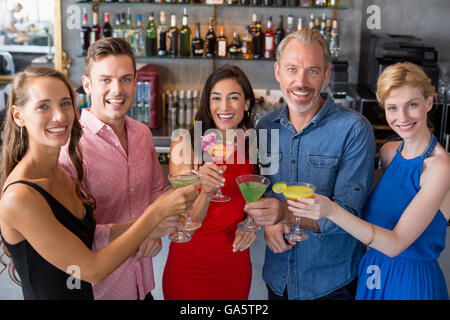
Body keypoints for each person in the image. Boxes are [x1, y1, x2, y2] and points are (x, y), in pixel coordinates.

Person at [0, 66, 199, 300]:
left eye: (65, 103)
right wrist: (154, 214)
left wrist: (150, 226)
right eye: (43, 106)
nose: (60, 116)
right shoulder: (20, 197)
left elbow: (91, 234)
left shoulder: (59, 173)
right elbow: (92, 270)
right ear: (18, 115)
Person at [290, 62, 450, 300]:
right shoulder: (388, 153)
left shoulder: (441, 167)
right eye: (393, 108)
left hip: (411, 285)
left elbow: (395, 244)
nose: (402, 117)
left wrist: (330, 210)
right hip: (372, 274)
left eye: (412, 105)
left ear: (428, 103)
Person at [245, 29, 376, 300]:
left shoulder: (354, 129)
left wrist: (283, 214)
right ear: (278, 72)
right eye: (292, 69)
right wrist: (270, 221)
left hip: (331, 284)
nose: (301, 82)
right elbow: (264, 187)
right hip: (278, 280)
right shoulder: (265, 127)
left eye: (312, 71)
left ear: (327, 75)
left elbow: (348, 216)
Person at [58, 37, 178, 300]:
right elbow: (75, 233)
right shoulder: (70, 146)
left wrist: (154, 231)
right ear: (87, 85)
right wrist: (143, 229)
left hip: (141, 284)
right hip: (100, 290)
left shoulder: (142, 134)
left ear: (136, 83)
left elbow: (155, 192)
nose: (117, 89)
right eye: (106, 80)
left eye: (125, 79)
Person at [162, 65, 258, 300]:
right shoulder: (187, 145)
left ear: (246, 104)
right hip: (190, 264)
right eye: (216, 98)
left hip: (234, 263)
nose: (224, 107)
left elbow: (254, 199)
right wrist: (205, 191)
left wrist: (251, 223)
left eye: (233, 98)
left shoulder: (252, 143)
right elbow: (188, 222)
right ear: (207, 103)